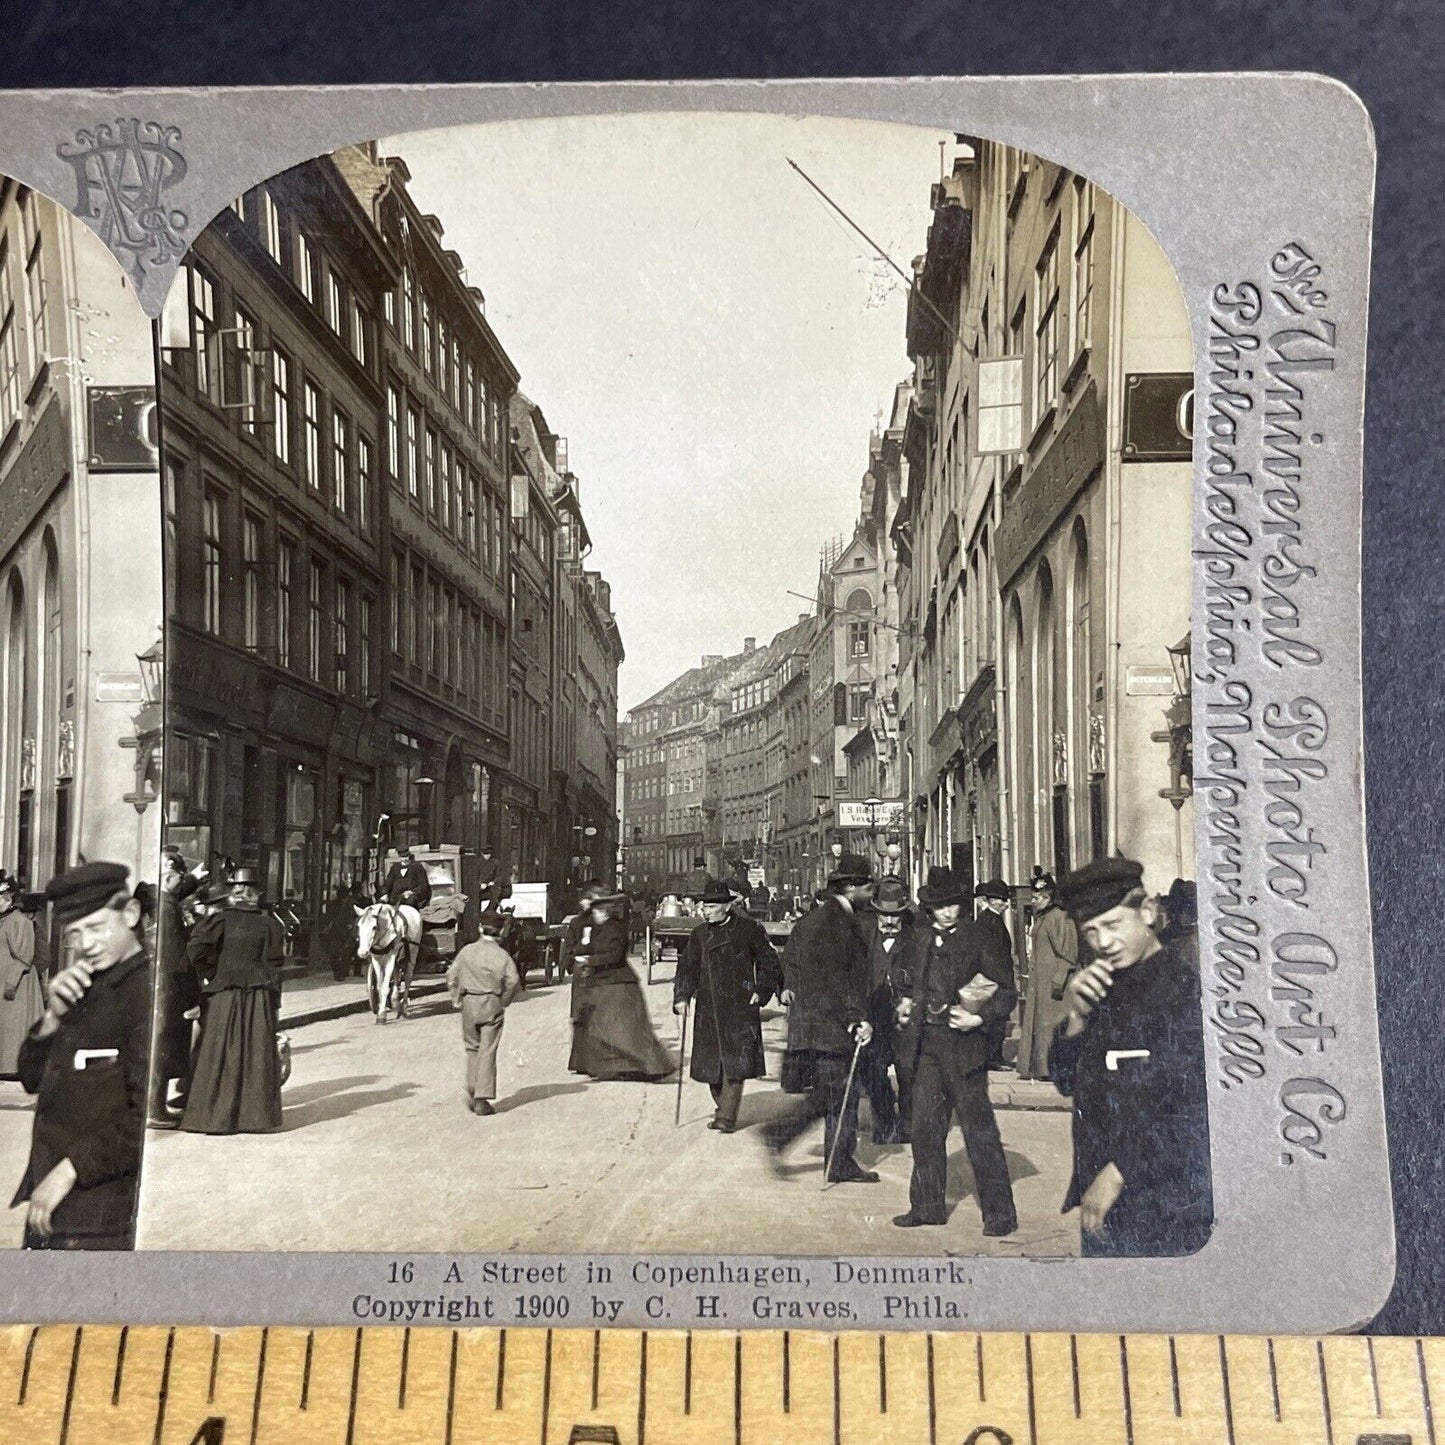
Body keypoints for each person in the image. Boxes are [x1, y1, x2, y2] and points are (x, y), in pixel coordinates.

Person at [1048, 856, 1213, 1257]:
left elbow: (1193, 1108)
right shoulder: (1102, 989)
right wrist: (1076, 1019)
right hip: (1104, 1206)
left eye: (1112, 925)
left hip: (1165, 1203)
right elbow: (1065, 1080)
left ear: (1147, 913)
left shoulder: (1185, 991)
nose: (1103, 942)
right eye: (1090, 932)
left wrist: (1120, 1171)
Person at [11, 862, 150, 1250]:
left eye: (96, 927)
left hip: (103, 1209)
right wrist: (53, 1017)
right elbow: (31, 1077)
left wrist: (71, 1169)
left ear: (131, 914)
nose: (86, 944)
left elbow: (144, 1117)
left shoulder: (146, 994)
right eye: (76, 933)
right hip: (55, 1202)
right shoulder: (85, 985)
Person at [891, 865, 1018, 1234]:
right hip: (926, 1047)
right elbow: (904, 979)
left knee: (979, 1132)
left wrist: (980, 1020)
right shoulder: (919, 938)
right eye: (941, 906)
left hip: (965, 1050)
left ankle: (999, 1214)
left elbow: (1006, 990)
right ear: (929, 908)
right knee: (926, 1131)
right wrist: (903, 1002)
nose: (948, 912)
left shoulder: (980, 937)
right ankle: (927, 1206)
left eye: (954, 905)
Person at [763, 852, 879, 1185]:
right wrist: (854, 1018)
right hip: (831, 1023)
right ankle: (782, 1135)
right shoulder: (836, 922)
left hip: (817, 1021)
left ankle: (832, 1158)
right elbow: (835, 977)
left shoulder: (821, 917)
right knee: (839, 1092)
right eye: (869, 888)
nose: (871, 895)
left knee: (836, 1092)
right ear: (853, 887)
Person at [180, 867, 285, 1135]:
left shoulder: (220, 921)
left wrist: (211, 973)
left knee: (221, 1052)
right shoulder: (269, 924)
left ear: (233, 892)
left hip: (225, 994)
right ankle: (254, 1118)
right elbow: (274, 964)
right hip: (258, 993)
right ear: (255, 893)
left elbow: (195, 950)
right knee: (255, 1051)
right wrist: (274, 1001)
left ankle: (217, 1116)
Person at [673, 878, 782, 1132]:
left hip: (739, 1005)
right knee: (711, 1068)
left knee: (735, 1065)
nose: (705, 911)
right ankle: (723, 1108)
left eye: (710, 907)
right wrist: (682, 997)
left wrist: (762, 990)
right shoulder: (699, 934)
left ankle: (726, 1116)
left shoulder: (748, 929)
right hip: (709, 1006)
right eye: (703, 907)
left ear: (725, 906)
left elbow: (769, 960)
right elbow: (687, 968)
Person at [568, 892, 676, 1080]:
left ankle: (651, 1067)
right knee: (600, 1027)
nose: (595, 916)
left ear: (606, 912)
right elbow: (588, 947)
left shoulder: (616, 929)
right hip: (602, 983)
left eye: (598, 912)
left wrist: (590, 960)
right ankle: (611, 1067)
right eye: (594, 912)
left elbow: (615, 956)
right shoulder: (595, 928)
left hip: (619, 983)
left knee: (625, 1031)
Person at [446, 910, 522, 1115]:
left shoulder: (466, 951)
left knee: (472, 1048)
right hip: (491, 1004)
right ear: (499, 931)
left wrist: (456, 998)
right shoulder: (502, 955)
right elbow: (514, 981)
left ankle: (472, 1087)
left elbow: (452, 975)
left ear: (480, 928)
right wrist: (504, 1000)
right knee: (487, 1050)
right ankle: (481, 1098)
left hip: (469, 1003)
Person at [149, 848, 204, 1123]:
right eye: (178, 879)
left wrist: (193, 879)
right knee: (163, 1047)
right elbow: (176, 959)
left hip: (162, 987)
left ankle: (156, 1106)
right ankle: (155, 1109)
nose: (181, 884)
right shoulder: (169, 910)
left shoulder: (164, 902)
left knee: (162, 1045)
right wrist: (191, 997)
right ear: (169, 876)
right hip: (170, 989)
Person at [1016, 869, 1079, 1080]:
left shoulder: (1058, 918)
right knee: (1040, 1027)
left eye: (1036, 898)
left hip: (1053, 985)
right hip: (1041, 983)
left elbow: (1069, 953)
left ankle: (1051, 1068)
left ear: (1048, 897)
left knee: (1050, 1027)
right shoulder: (1043, 917)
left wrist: (1058, 981)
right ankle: (1040, 1068)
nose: (1033, 901)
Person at [859, 876, 909, 1144]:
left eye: (895, 917)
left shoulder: (914, 940)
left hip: (905, 1021)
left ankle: (909, 1125)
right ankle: (885, 1121)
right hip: (875, 1019)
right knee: (873, 1072)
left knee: (908, 1072)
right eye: (883, 917)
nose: (889, 923)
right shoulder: (865, 940)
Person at [0, 875, 45, 1081]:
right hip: (7, 982)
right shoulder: (6, 921)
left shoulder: (19, 922)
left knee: (14, 1026)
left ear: (9, 899)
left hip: (17, 984)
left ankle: (12, 1068)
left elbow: (24, 956)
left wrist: (11, 983)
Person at [973, 880, 1015, 1071]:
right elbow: (990, 954)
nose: (1005, 903)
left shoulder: (992, 919)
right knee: (994, 1021)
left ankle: (995, 1056)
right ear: (992, 901)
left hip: (997, 978)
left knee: (998, 1020)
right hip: (995, 978)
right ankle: (992, 1058)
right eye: (1002, 899)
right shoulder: (988, 920)